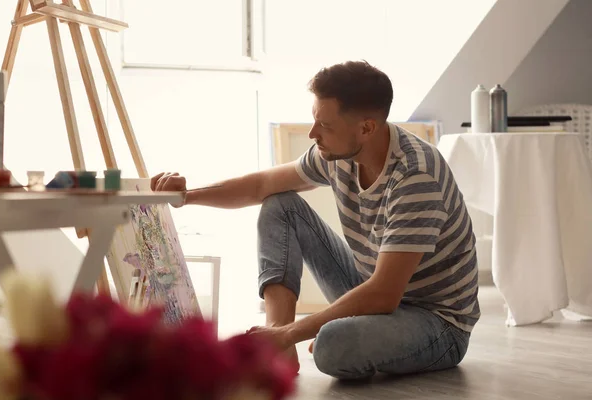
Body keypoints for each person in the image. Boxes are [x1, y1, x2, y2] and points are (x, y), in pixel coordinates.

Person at [151, 60, 480, 380]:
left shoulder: (414, 176)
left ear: (366, 128)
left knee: (333, 345)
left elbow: (383, 294)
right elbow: (262, 185)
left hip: (436, 321)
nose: (312, 134)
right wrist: (188, 195)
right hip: (374, 290)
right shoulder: (339, 155)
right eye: (314, 120)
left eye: (325, 125)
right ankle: (277, 343)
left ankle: (284, 337)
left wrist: (297, 332)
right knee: (281, 205)